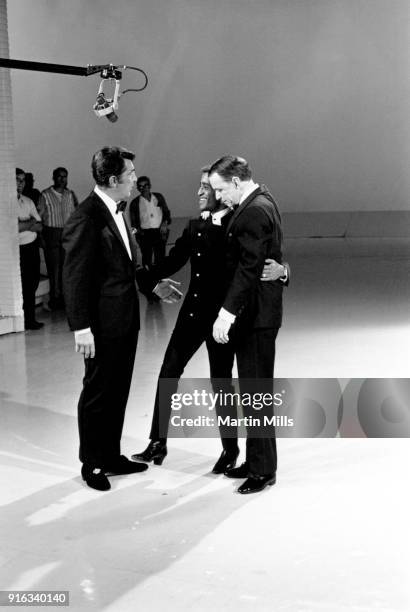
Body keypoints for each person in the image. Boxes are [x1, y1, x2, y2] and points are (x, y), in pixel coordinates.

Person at [132, 165, 288, 474]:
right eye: (203, 187)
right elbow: (171, 261)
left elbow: (258, 261)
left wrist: (283, 271)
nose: (202, 192)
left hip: (224, 320)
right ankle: (157, 442)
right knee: (168, 370)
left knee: (222, 382)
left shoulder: (240, 221)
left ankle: (230, 450)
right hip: (193, 314)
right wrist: (145, 279)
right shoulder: (195, 226)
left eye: (209, 187)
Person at [62, 146, 181, 492]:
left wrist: (154, 285)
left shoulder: (117, 211)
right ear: (112, 179)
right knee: (98, 392)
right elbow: (74, 277)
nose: (134, 179)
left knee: (119, 390)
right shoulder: (86, 218)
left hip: (124, 320)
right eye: (129, 175)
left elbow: (126, 268)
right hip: (99, 326)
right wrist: (81, 327)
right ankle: (92, 463)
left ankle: (111, 455)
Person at [209, 155, 287, 495]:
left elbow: (249, 267)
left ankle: (262, 470)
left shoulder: (254, 211)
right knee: (255, 391)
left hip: (255, 317)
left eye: (220, 189)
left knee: (256, 394)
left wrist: (226, 313)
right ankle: (257, 459)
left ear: (237, 182)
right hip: (258, 314)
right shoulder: (261, 199)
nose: (218, 196)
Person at [38, 167, 79, 310]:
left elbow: (76, 216)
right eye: (59, 177)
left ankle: (66, 299)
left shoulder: (70, 194)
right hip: (52, 234)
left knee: (67, 268)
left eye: (65, 176)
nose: (62, 179)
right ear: (54, 178)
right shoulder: (45, 195)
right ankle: (55, 300)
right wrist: (42, 238)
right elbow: (39, 218)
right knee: (54, 269)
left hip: (67, 234)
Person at [16, 168, 44, 330]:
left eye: (22, 180)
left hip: (31, 248)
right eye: (17, 180)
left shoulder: (28, 201)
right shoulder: (5, 202)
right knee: (21, 285)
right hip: (17, 250)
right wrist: (29, 223)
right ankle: (20, 320)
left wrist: (24, 223)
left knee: (31, 284)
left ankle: (30, 320)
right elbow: (13, 227)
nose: (20, 184)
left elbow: (40, 226)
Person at [129, 176, 171, 267]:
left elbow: (166, 213)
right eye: (140, 186)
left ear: (150, 186)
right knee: (147, 260)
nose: (143, 188)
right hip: (145, 234)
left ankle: (160, 278)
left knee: (160, 259)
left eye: (146, 185)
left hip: (160, 232)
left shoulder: (158, 197)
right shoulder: (135, 203)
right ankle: (148, 277)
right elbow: (134, 223)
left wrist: (165, 223)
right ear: (137, 188)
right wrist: (138, 235)